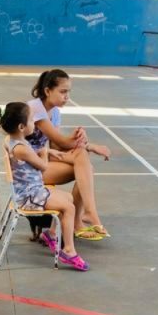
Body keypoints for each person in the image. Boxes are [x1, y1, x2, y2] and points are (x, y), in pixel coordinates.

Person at [0, 102, 88, 271]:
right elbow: (43, 166)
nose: (34, 123)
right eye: (31, 120)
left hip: (29, 191)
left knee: (68, 198)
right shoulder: (21, 148)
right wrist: (46, 152)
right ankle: (68, 250)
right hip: (29, 196)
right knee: (69, 208)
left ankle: (51, 234)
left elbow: (32, 152)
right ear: (22, 126)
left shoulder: (12, 140)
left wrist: (49, 151)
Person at [28, 68, 111, 240]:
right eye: (63, 92)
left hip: (43, 161)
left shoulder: (55, 112)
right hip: (29, 170)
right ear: (47, 91)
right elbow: (63, 142)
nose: (67, 97)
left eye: (68, 92)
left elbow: (57, 145)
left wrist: (80, 141)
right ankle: (83, 217)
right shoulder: (35, 108)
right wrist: (90, 146)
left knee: (83, 165)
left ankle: (82, 217)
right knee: (84, 167)